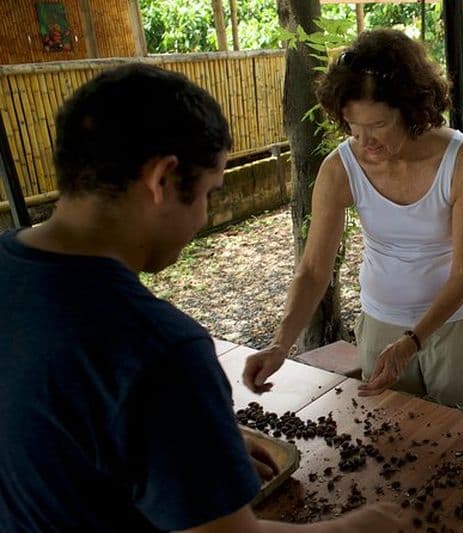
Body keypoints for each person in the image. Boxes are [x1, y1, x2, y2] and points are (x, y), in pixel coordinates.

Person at [0, 64, 400, 532]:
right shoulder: (159, 350)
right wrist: (358, 527)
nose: (204, 216)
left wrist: (200, 442)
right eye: (210, 192)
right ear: (163, 179)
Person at [243, 29, 463, 414]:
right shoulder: (340, 168)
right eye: (353, 127)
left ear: (411, 111)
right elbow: (312, 270)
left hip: (454, 326)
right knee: (388, 437)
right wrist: (280, 343)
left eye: (377, 126)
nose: (365, 141)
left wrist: (413, 340)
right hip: (380, 323)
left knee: (459, 441)